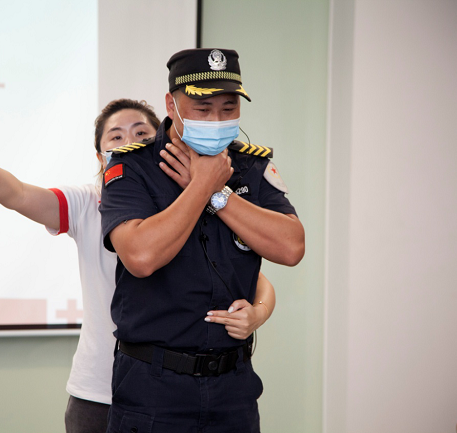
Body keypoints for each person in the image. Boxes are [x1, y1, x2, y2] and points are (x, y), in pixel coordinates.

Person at [0, 98, 278, 433]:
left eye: (141, 134)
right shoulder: (87, 203)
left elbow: (253, 278)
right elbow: (18, 195)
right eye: (116, 137)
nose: (129, 142)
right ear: (100, 157)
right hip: (98, 391)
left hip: (171, 393)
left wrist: (257, 313)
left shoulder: (194, 201)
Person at [100, 49, 305, 432]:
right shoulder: (132, 166)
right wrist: (200, 187)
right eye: (203, 109)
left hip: (233, 385)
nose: (217, 121)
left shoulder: (251, 165)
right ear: (171, 105)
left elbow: (291, 247)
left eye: (228, 109)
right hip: (153, 385)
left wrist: (218, 194)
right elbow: (141, 257)